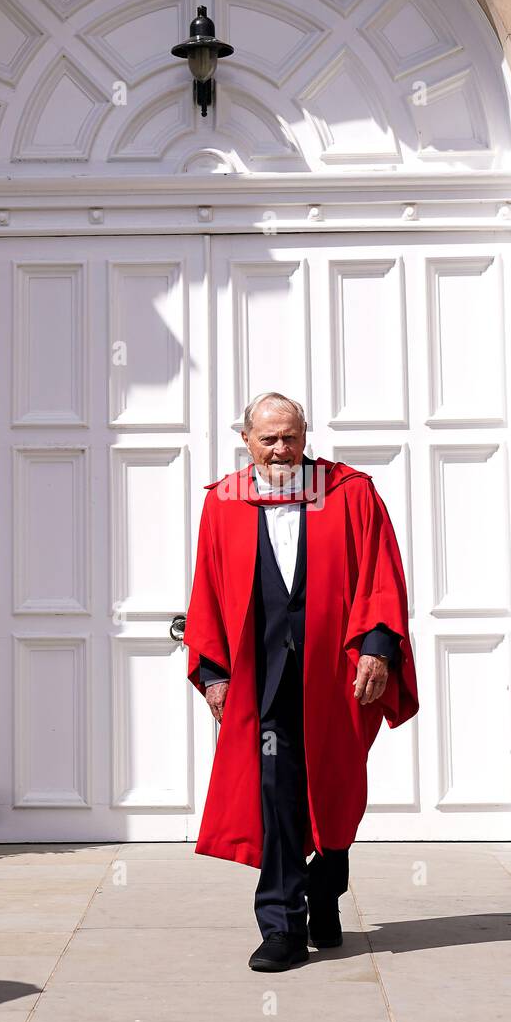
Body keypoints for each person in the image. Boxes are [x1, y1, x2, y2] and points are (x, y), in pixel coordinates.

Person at [184, 392, 419, 972]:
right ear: (247, 441)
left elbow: (382, 573)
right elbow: (208, 591)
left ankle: (325, 890)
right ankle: (281, 925)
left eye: (290, 436)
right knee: (276, 794)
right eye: (268, 439)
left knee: (337, 790)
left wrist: (379, 648)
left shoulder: (350, 492)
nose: (281, 449)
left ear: (305, 434)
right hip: (262, 678)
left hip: (335, 674)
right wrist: (214, 675)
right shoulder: (224, 504)